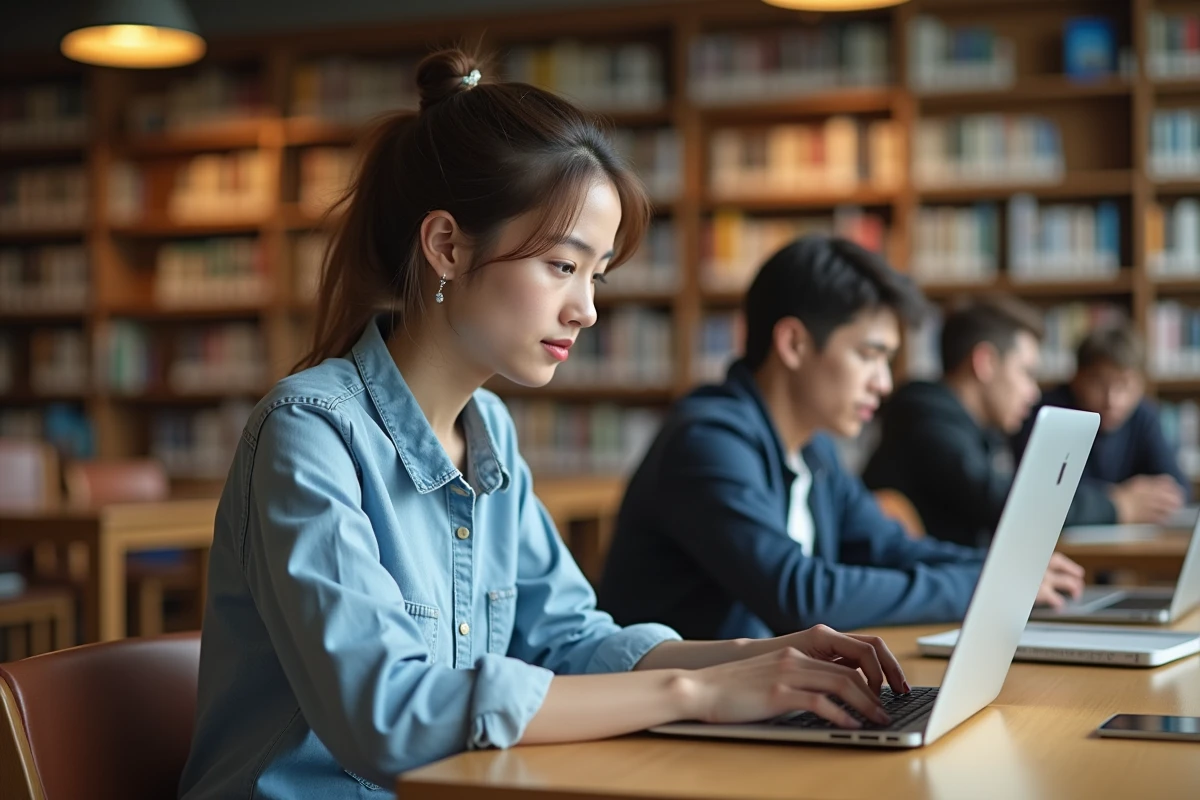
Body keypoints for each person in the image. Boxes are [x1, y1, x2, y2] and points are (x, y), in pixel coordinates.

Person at [178, 51, 910, 800]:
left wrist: (755, 661)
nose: (586, 309)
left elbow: (569, 641)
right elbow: (386, 716)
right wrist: (695, 695)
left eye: (597, 275)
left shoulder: (487, 429)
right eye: (563, 266)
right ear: (447, 247)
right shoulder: (310, 431)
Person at [597, 236, 1083, 642]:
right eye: (869, 356)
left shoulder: (814, 449)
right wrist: (992, 584)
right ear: (794, 343)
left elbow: (889, 547)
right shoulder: (707, 441)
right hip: (666, 732)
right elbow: (801, 595)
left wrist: (1011, 567)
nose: (884, 383)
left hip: (756, 702)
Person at [862, 297, 1109, 547]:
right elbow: (1012, 506)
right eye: (1026, 372)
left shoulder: (979, 431)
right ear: (986, 362)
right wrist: (1115, 506)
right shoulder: (925, 418)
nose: (1033, 392)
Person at [1012, 324, 1188, 525]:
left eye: (1125, 385)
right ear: (1076, 379)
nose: (1112, 400)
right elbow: (1040, 497)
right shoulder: (1048, 416)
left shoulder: (1145, 415)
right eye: (1099, 384)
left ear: (1141, 384)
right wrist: (1122, 500)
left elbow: (1176, 488)